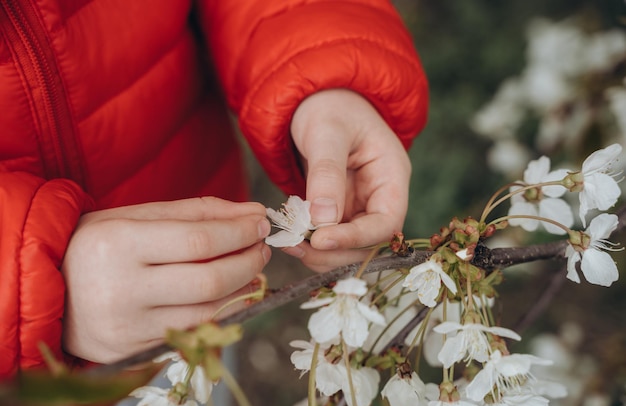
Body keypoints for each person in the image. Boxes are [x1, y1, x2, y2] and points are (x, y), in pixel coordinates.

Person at [0, 0, 428, 379]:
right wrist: (29, 292)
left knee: (201, 383)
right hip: (21, 372)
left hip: (208, 288)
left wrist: (320, 68)